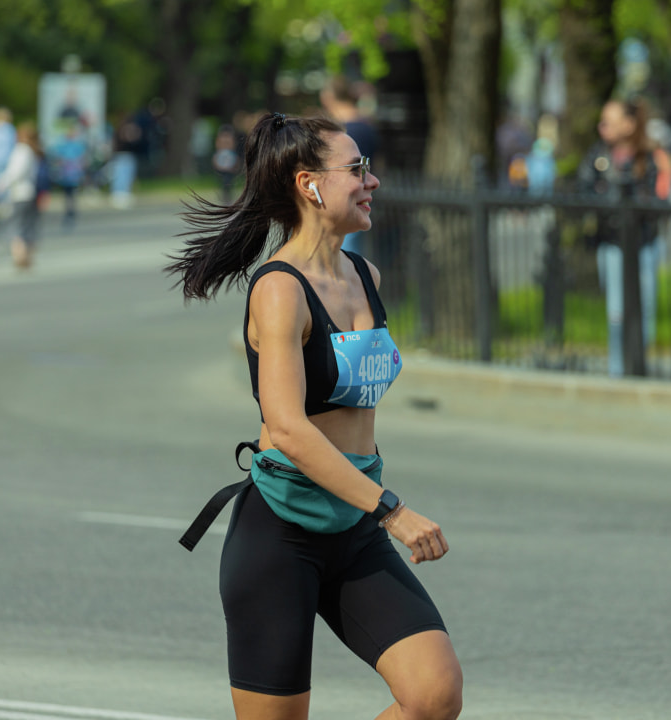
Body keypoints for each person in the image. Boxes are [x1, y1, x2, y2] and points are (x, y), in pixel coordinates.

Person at [165, 112, 463, 720]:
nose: (371, 180)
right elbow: (292, 429)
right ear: (310, 185)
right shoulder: (279, 289)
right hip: (281, 532)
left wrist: (372, 507)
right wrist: (393, 511)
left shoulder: (364, 275)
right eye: (356, 169)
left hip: (352, 527)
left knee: (433, 696)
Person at [577, 97, 671, 375]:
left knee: (645, 310)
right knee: (617, 312)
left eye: (609, 121)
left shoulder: (650, 157)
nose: (602, 127)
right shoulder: (597, 157)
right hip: (612, 243)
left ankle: (638, 364)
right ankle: (619, 370)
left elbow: (660, 198)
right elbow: (583, 190)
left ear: (629, 125)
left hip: (644, 243)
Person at [320, 76, 382, 255]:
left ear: (328, 98)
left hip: (344, 197)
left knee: (345, 253)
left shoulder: (342, 131)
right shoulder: (368, 125)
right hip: (366, 195)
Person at [0, 122, 43, 270]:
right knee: (29, 226)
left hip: (19, 193)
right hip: (31, 192)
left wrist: (2, 184)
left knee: (16, 226)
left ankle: (20, 257)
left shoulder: (21, 150)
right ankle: (29, 256)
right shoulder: (35, 152)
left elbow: (15, 172)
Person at [48, 122, 88, 229]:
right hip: (66, 173)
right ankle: (69, 209)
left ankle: (71, 210)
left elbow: (82, 159)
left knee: (71, 193)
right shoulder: (63, 144)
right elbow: (56, 157)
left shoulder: (77, 145)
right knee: (68, 193)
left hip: (73, 174)